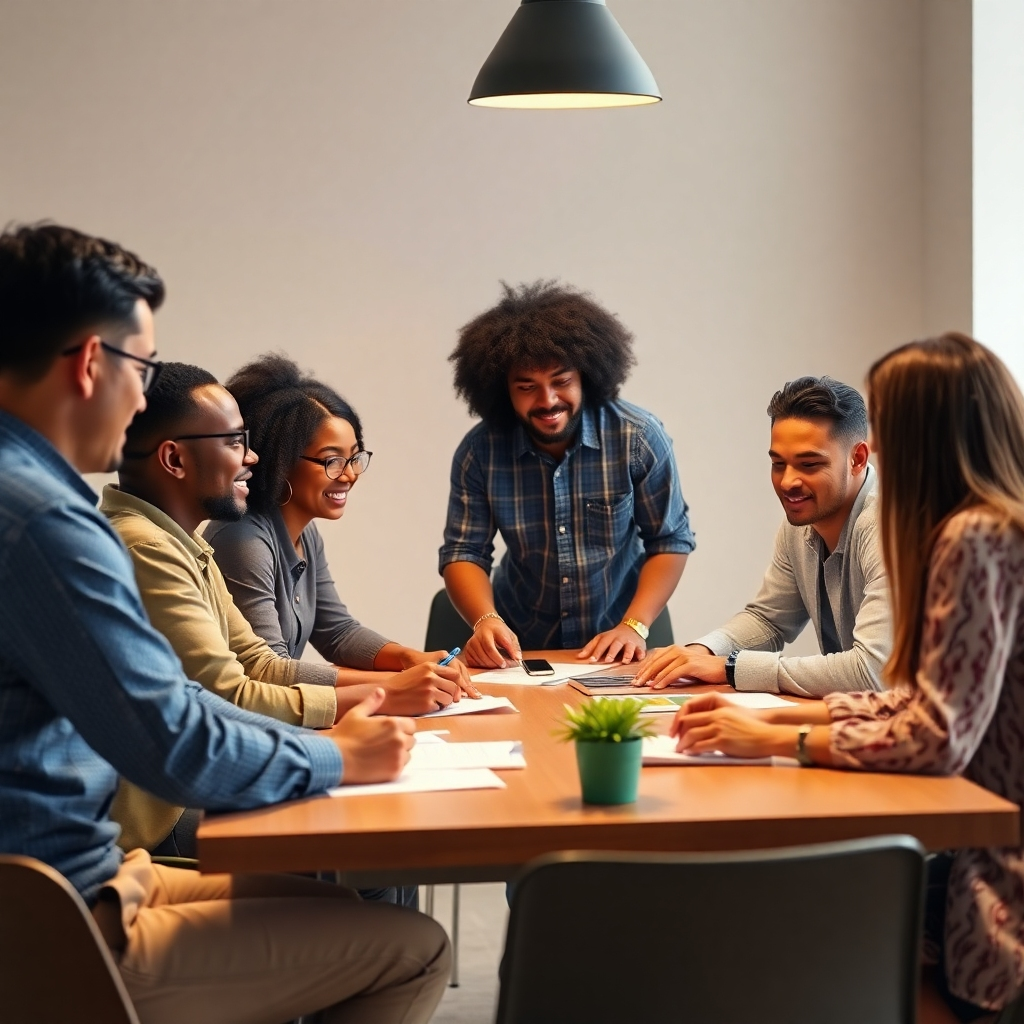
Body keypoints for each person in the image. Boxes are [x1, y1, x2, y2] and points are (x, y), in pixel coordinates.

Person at [0, 222, 450, 1024]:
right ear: (90, 363)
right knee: (412, 947)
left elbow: (219, 684)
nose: (141, 398)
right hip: (56, 911)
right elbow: (175, 738)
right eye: (140, 369)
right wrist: (335, 759)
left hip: (98, 870)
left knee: (349, 909)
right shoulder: (45, 521)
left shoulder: (50, 503)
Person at [670, 333, 1024, 1021]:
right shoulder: (990, 525)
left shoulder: (968, 539)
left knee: (794, 932)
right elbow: (917, 700)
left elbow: (935, 735)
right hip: (977, 836)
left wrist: (781, 738)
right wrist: (785, 715)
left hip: (996, 864)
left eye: (887, 424)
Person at [103, 361, 466, 864]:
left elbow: (263, 658)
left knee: (384, 826)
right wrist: (380, 697)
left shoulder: (180, 542)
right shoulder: (155, 547)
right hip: (165, 815)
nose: (250, 456)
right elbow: (231, 691)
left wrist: (403, 667)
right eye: (234, 442)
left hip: (193, 783)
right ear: (175, 459)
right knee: (375, 841)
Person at [440, 281, 695, 667]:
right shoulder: (480, 452)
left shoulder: (638, 438)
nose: (547, 401)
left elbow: (670, 540)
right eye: (527, 387)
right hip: (519, 646)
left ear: (586, 377)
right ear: (502, 390)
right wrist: (486, 620)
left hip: (621, 640)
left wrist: (634, 625)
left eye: (561, 382)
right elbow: (464, 552)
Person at [203, 353, 481, 701]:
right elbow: (271, 670)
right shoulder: (241, 539)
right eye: (332, 460)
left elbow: (338, 633)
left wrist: (411, 659)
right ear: (280, 461)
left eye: (354, 457)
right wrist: (390, 688)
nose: (349, 474)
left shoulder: (305, 533)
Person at [634, 376, 890, 697]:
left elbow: (872, 671)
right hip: (860, 720)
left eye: (809, 464)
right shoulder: (801, 524)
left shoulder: (889, 528)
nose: (788, 482)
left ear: (858, 458)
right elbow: (768, 621)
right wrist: (703, 651)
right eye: (778, 464)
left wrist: (732, 668)